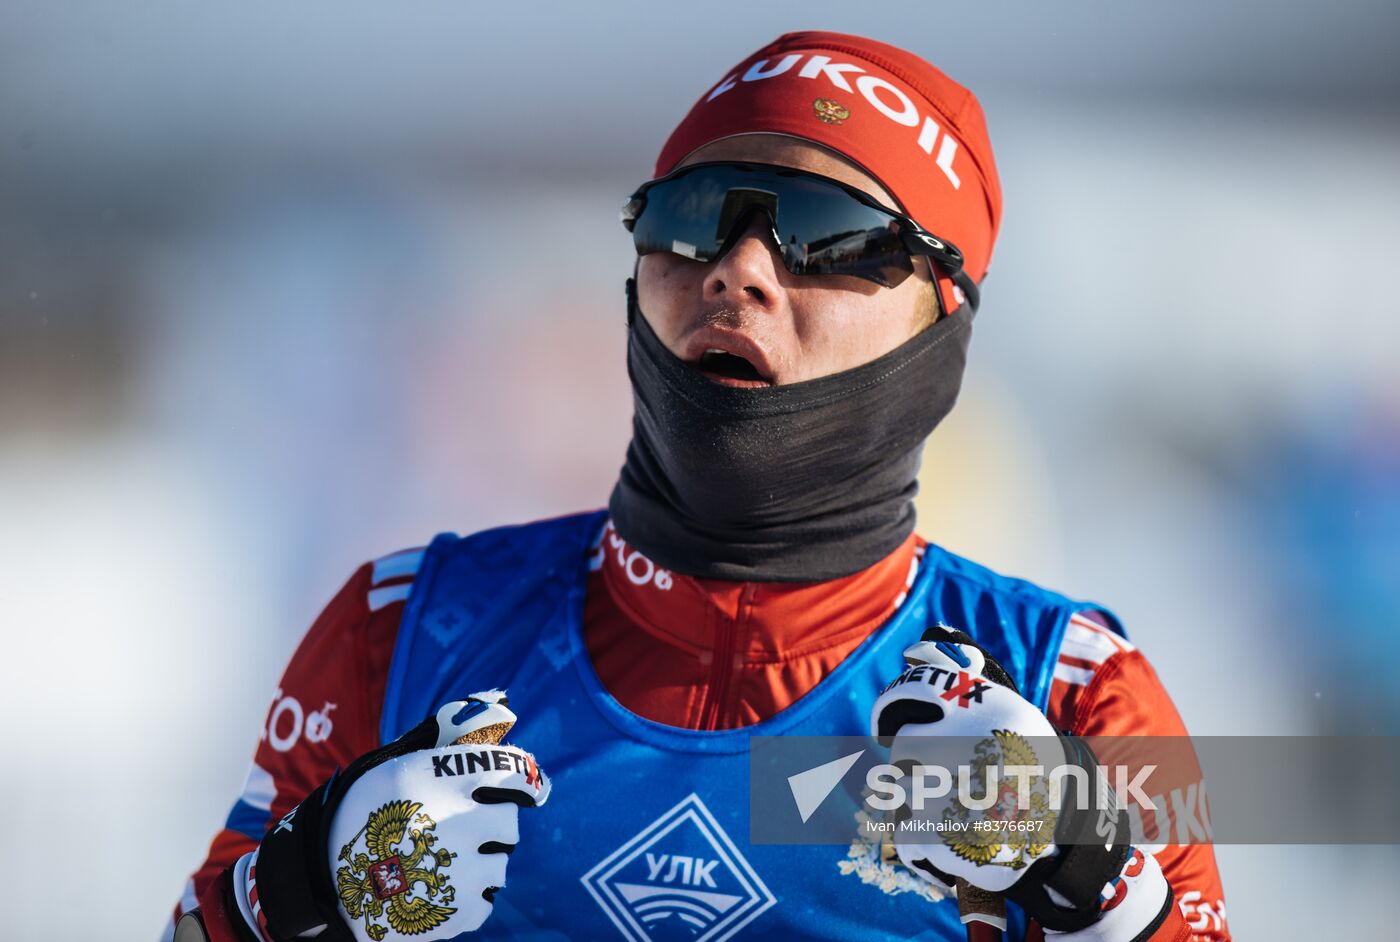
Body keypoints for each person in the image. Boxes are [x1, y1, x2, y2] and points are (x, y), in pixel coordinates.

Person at [167, 31, 1230, 942]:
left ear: (941, 318)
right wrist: (298, 893)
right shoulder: (401, 637)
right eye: (695, 213)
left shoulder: (1072, 688)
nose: (740, 269)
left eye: (826, 233)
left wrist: (1091, 881)